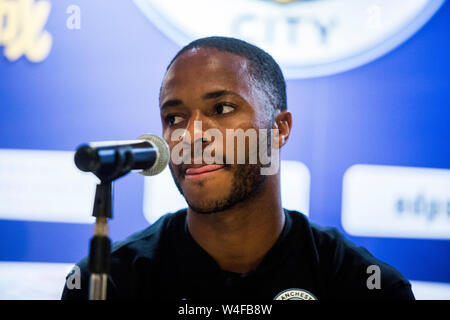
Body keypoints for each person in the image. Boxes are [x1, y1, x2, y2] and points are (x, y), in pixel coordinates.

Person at [61, 36, 414, 300]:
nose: (192, 135)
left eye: (223, 109)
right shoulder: (109, 282)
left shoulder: (366, 287)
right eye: (174, 117)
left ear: (280, 130)